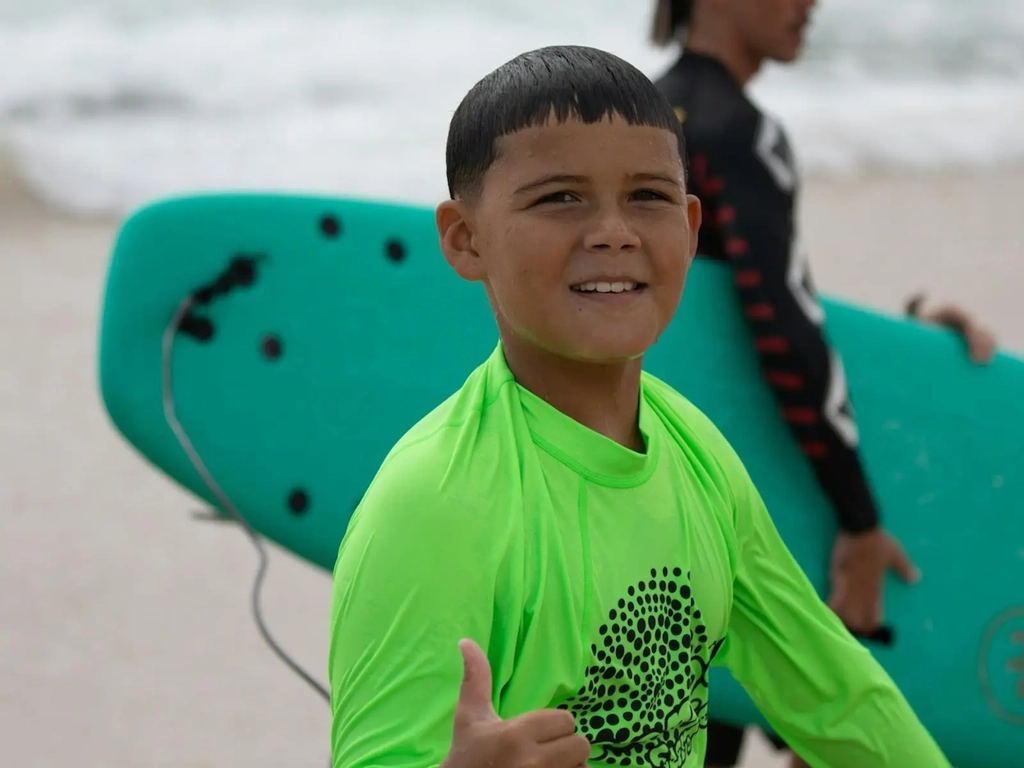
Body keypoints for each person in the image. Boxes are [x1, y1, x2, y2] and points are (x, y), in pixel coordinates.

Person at [327, 44, 952, 768]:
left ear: (690, 231)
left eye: (648, 197)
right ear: (465, 241)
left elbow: (835, 694)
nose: (614, 231)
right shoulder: (432, 505)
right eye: (560, 197)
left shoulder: (697, 455)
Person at [648, 1, 997, 766]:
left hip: (644, 508)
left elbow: (715, 332)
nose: (813, 3)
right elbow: (780, 333)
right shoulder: (740, 133)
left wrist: (908, 344)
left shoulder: (636, 119)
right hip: (737, 514)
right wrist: (860, 521)